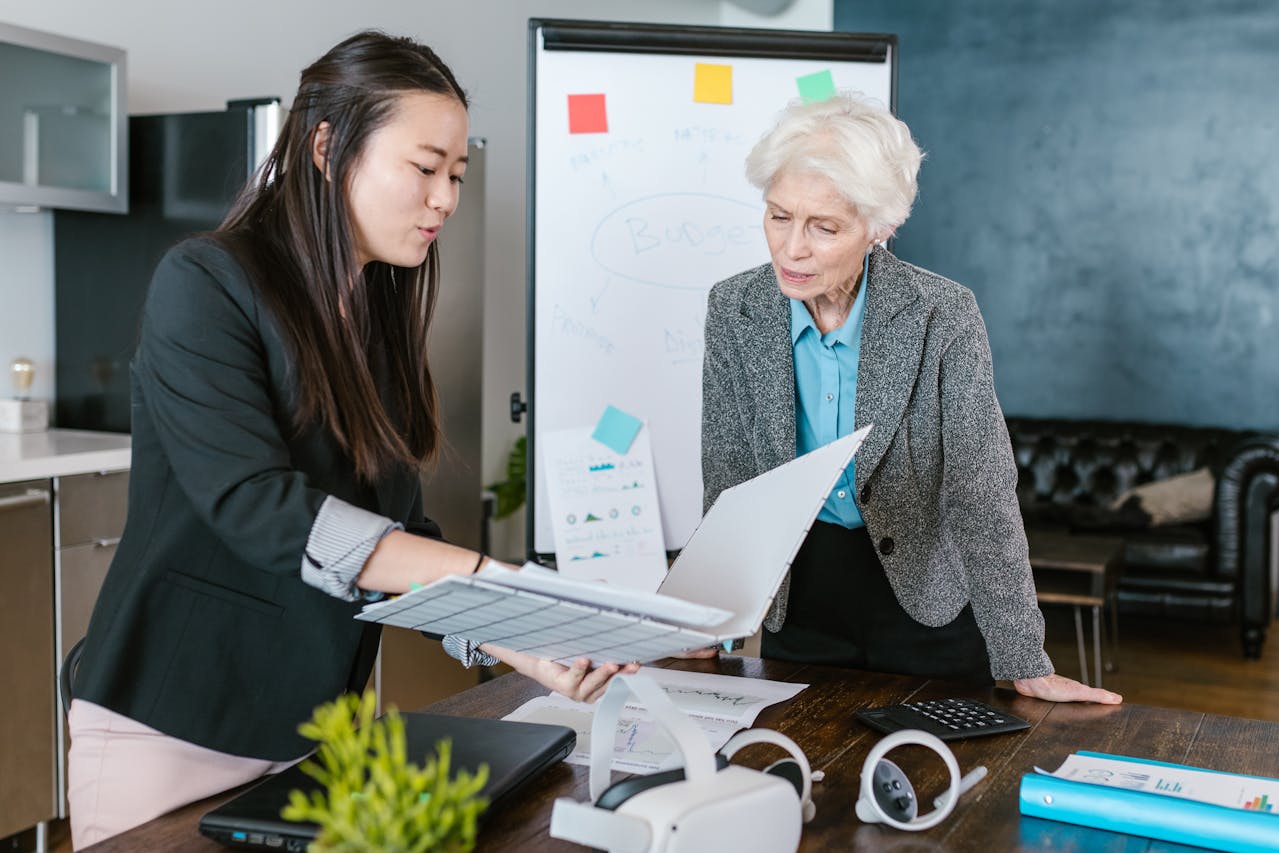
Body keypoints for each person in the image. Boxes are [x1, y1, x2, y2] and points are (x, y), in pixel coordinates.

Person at [66, 31, 634, 848]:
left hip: (310, 731)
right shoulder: (206, 282)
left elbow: (397, 541)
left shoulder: (378, 323)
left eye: (457, 177)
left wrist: (527, 640)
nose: (444, 198)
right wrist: (492, 576)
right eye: (425, 167)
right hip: (173, 725)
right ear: (329, 147)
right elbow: (259, 506)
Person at [698, 93, 1121, 705]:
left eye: (825, 227)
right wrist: (713, 620)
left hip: (927, 601)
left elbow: (981, 489)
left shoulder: (942, 313)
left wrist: (1023, 656)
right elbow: (729, 476)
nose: (792, 248)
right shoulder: (735, 309)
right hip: (803, 596)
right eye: (779, 216)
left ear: (880, 227)